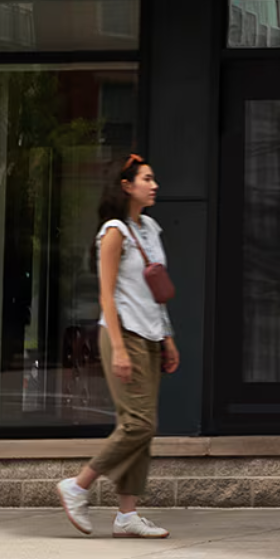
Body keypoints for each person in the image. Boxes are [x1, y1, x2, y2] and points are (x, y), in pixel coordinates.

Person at [57, 155, 177, 539]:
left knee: (141, 428)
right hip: (122, 334)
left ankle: (127, 515)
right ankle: (78, 485)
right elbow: (106, 295)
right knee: (139, 423)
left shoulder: (151, 229)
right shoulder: (114, 232)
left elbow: (154, 294)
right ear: (126, 186)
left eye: (154, 178)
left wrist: (168, 338)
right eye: (146, 178)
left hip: (151, 335)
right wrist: (120, 349)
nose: (154, 184)